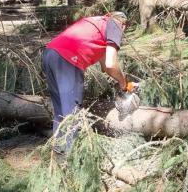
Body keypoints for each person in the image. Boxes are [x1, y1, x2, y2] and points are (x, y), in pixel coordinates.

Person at [42, 11, 136, 151]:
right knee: (72, 114)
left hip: (49, 54)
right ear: (124, 25)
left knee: (60, 111)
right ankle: (72, 157)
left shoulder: (98, 23)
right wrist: (123, 84)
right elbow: (111, 64)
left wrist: (121, 80)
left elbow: (106, 66)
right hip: (67, 60)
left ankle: (58, 153)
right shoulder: (115, 24)